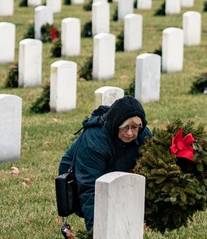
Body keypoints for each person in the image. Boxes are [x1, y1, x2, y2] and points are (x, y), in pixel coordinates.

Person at [58, 95, 151, 231]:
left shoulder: (143, 135)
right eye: (125, 127)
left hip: (116, 169)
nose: (130, 133)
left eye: (135, 127)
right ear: (115, 124)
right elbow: (90, 188)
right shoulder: (95, 141)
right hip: (80, 176)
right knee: (103, 203)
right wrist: (96, 236)